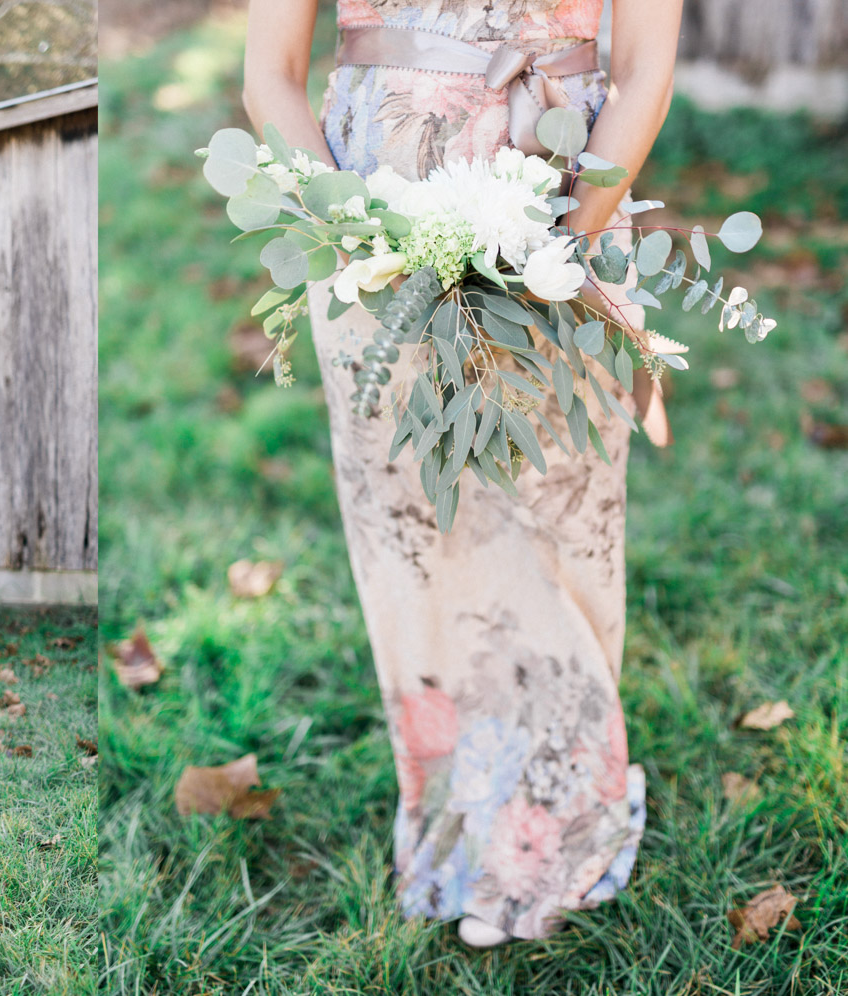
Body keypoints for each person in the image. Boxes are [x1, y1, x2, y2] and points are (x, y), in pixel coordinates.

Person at [242, 0, 682, 947]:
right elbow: (268, 73)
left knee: (559, 522)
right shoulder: (360, 242)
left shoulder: (564, 230)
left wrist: (559, 242)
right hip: (370, 236)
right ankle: (456, 822)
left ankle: (555, 830)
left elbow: (646, 65)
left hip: (562, 203)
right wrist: (354, 236)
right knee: (415, 530)